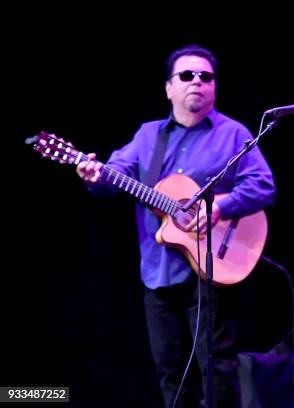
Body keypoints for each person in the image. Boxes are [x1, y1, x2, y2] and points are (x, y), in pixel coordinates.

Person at [76, 44, 276, 407]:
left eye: (206, 76)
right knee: (170, 372)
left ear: (215, 87)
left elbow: (263, 185)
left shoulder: (232, 134)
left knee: (217, 370)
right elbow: (115, 176)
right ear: (169, 87)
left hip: (212, 270)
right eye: (187, 75)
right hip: (158, 271)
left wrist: (220, 207)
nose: (197, 81)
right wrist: (94, 175)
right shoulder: (148, 136)